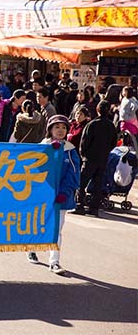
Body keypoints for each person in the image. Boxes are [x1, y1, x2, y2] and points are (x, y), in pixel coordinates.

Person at [27, 115, 80, 275]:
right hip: (42, 197)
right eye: (57, 127)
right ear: (50, 129)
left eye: (63, 127)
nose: (60, 130)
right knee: (38, 224)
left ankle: (54, 262)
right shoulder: (42, 147)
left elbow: (74, 173)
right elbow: (32, 170)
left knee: (56, 229)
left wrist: (64, 192)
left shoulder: (70, 150)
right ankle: (32, 249)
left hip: (61, 198)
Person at [75, 101, 118, 217]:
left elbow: (84, 142)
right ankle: (94, 208)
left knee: (82, 183)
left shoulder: (92, 124)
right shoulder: (111, 126)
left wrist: (83, 155)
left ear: (97, 110)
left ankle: (80, 205)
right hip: (103, 158)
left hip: (90, 158)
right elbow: (113, 143)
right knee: (97, 185)